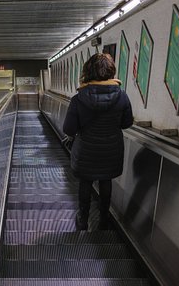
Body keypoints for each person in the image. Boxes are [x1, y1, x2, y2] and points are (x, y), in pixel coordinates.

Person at [63, 53, 133, 231]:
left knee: (85, 182)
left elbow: (68, 129)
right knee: (105, 180)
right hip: (111, 149)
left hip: (86, 149)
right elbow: (126, 123)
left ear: (88, 72)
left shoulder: (78, 99)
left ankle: (83, 218)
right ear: (111, 71)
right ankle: (103, 218)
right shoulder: (122, 97)